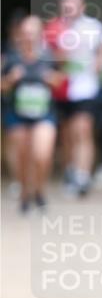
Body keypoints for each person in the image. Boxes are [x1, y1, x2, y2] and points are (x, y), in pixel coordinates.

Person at [44, 0, 102, 195]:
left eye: (74, 4)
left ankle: (83, 176)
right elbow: (49, 57)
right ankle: (70, 172)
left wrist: (99, 64)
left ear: (83, 7)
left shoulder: (93, 27)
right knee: (67, 135)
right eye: (66, 5)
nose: (69, 8)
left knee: (83, 130)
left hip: (85, 88)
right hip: (62, 89)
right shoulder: (54, 27)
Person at [0, 16, 62, 212]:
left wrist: (51, 79)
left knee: (42, 154)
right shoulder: (10, 57)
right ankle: (24, 192)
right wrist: (11, 79)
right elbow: (2, 86)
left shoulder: (49, 56)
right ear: (20, 34)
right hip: (17, 113)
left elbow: (61, 81)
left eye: (33, 32)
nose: (29, 36)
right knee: (21, 156)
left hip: (44, 113)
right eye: (26, 32)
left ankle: (39, 189)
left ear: (40, 34)